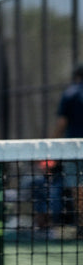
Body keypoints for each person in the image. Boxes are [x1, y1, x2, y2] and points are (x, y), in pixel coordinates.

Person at [52, 62, 83, 237]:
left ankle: (82, 224)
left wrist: (49, 146)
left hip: (74, 148)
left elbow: (61, 123)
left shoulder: (70, 93)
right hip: (75, 148)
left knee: (78, 186)